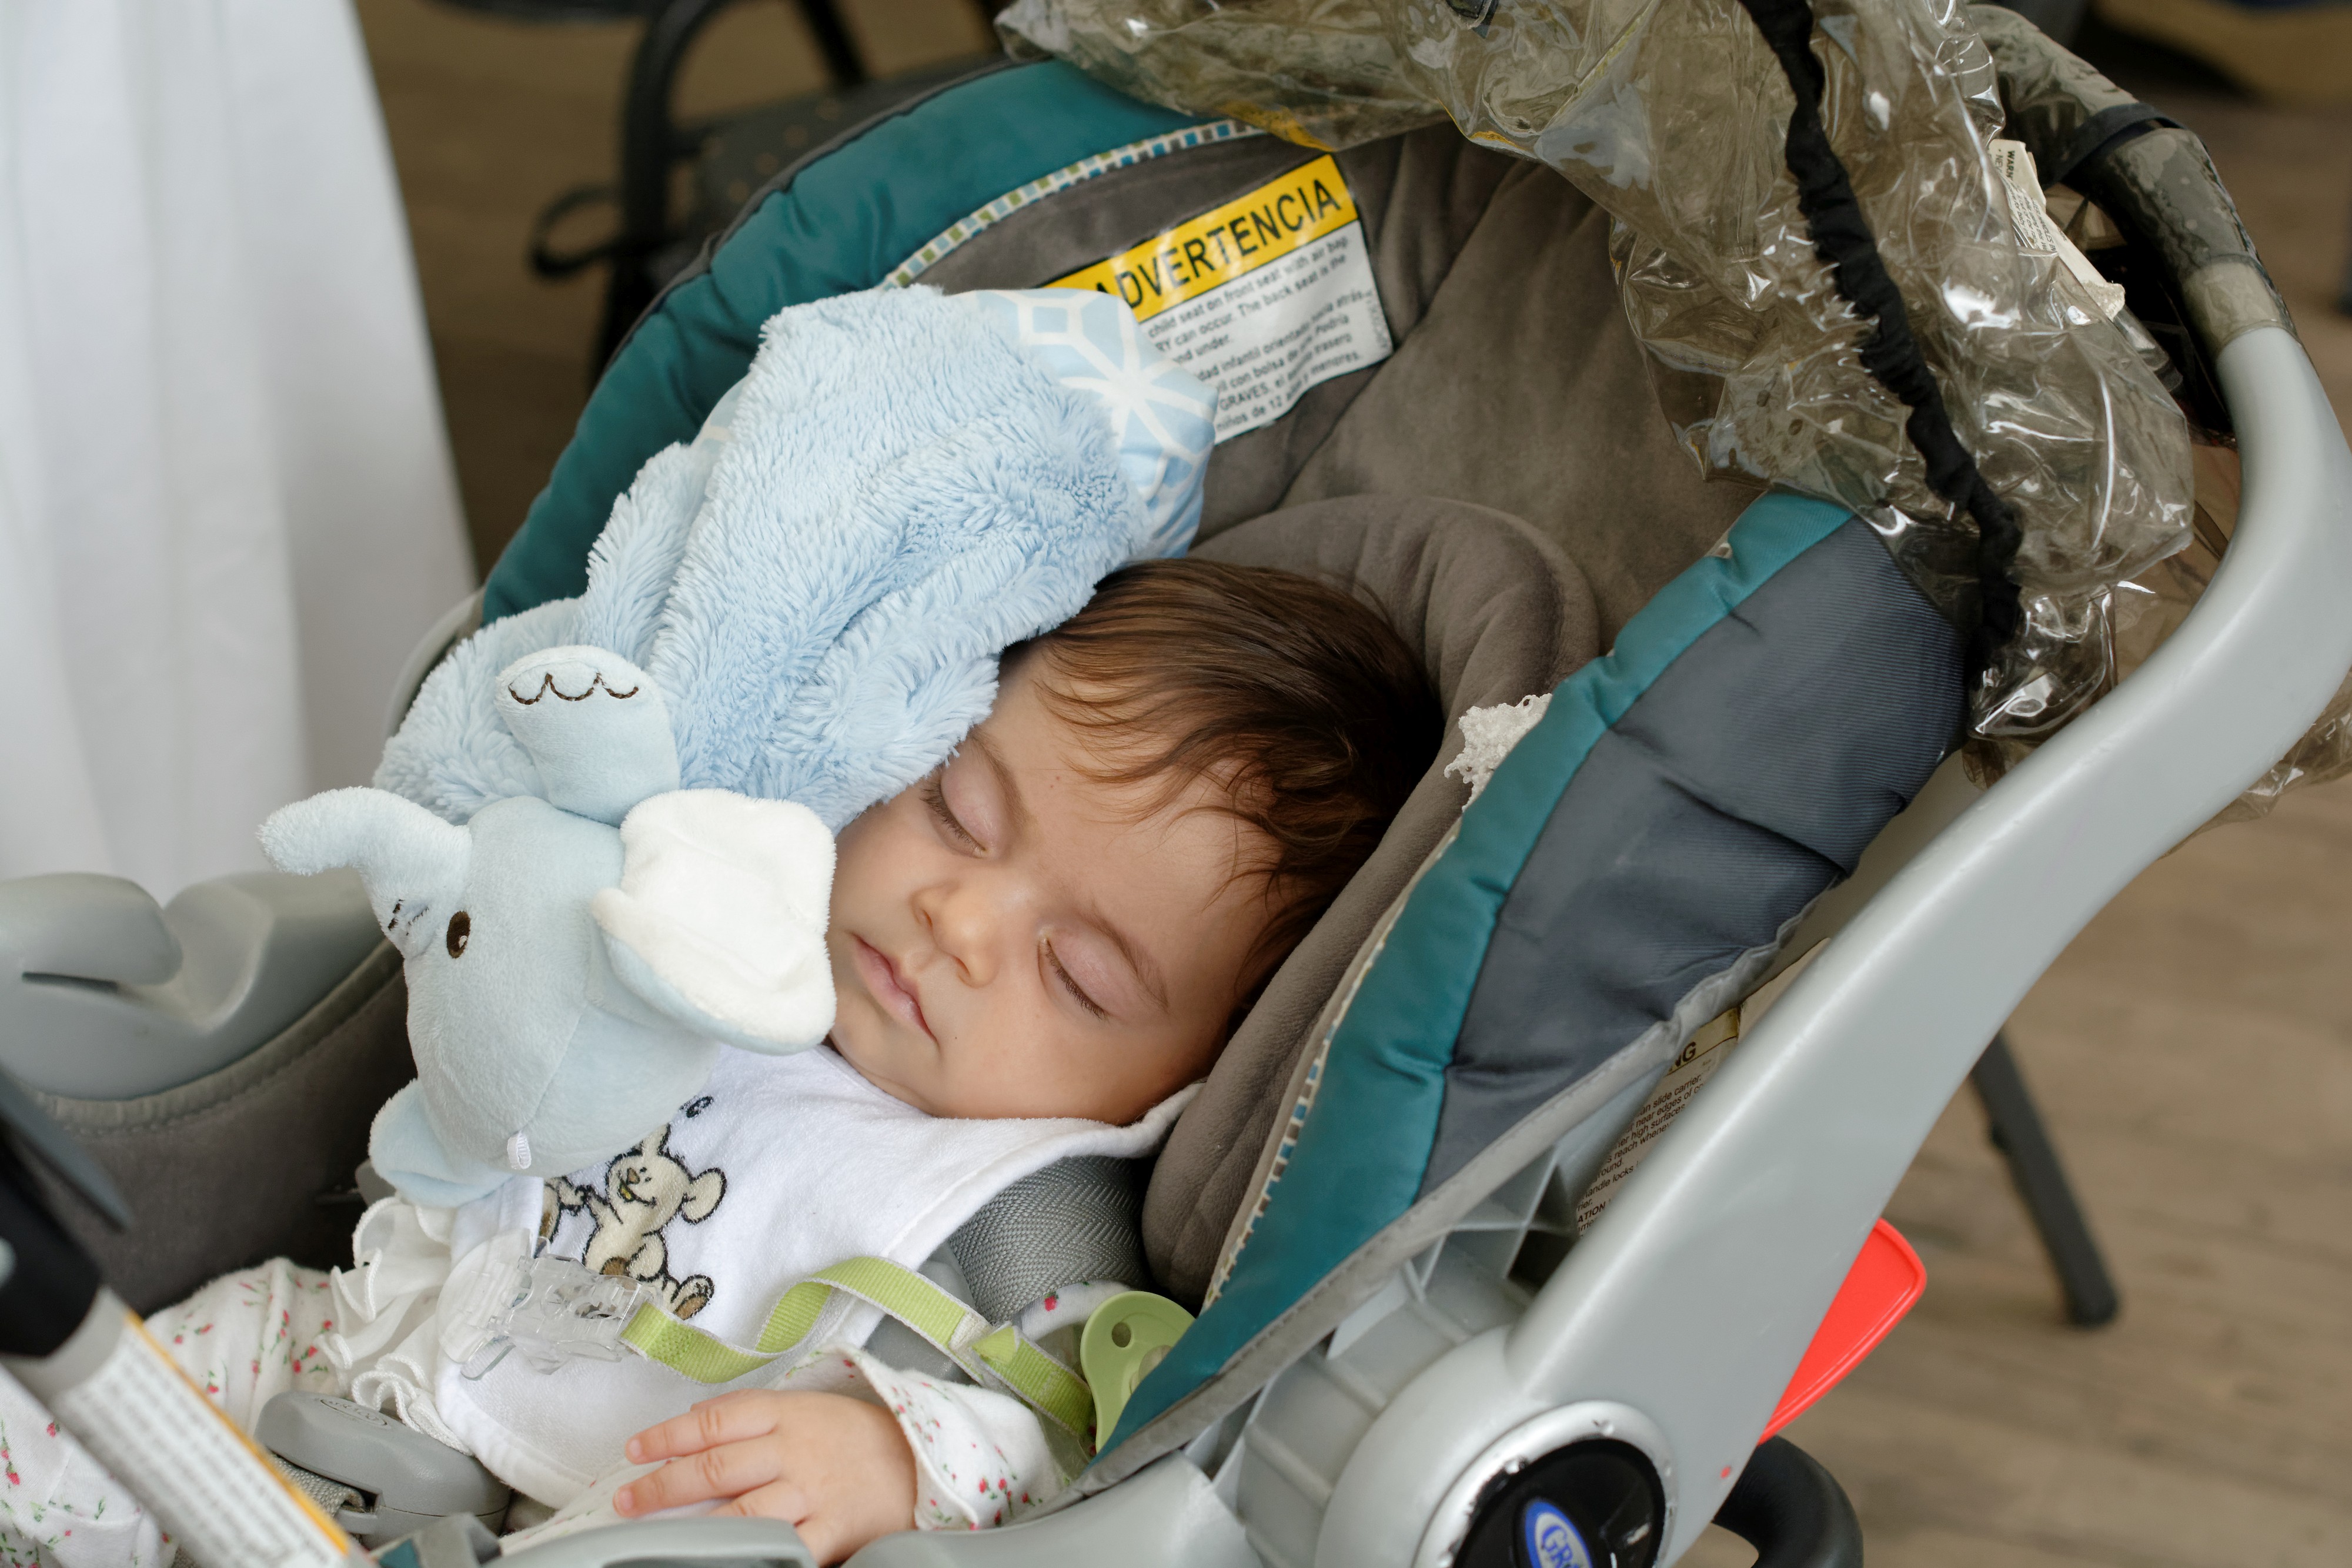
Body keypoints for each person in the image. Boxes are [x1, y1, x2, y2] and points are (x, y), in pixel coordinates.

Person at [0, 556, 1442, 1567]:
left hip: (608, 1513)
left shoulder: (1029, 1207)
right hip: (364, 1336)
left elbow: (1075, 1438)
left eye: (1078, 973)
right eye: (955, 809)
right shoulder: (717, 923)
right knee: (103, 1391)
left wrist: (898, 1459)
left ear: (1196, 1073)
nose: (957, 919)